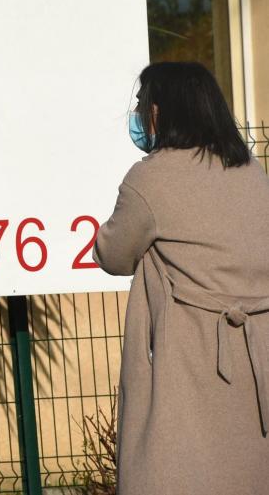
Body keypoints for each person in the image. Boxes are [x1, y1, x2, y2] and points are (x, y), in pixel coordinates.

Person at [95, 62, 269, 495]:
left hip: (188, 356)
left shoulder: (151, 178)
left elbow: (113, 254)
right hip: (256, 354)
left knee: (178, 466)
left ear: (161, 112)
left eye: (140, 104)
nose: (135, 113)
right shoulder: (250, 171)